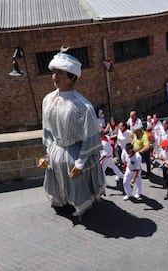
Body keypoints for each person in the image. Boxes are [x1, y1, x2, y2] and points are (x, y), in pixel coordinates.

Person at [39, 48, 105, 217]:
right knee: (58, 179)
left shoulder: (83, 106)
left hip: (74, 153)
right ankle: (62, 201)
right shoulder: (47, 100)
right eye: (54, 73)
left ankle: (80, 206)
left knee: (77, 183)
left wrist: (81, 162)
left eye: (61, 73)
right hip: (56, 150)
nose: (55, 77)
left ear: (72, 77)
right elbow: (47, 129)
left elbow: (91, 136)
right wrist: (48, 154)